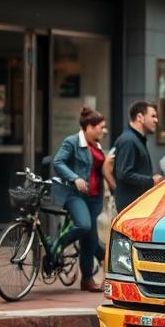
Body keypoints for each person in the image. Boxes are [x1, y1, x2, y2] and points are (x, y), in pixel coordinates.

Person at [52, 107, 108, 292]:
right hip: (74, 194)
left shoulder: (98, 145)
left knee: (89, 238)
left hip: (94, 197)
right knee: (84, 226)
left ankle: (87, 279)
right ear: (89, 127)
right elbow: (58, 162)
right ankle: (57, 246)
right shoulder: (72, 142)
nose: (104, 130)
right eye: (101, 127)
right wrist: (75, 178)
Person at [113, 100, 163, 212]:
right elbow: (124, 174)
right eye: (153, 116)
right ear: (140, 117)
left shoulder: (137, 139)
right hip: (130, 205)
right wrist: (151, 181)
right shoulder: (128, 140)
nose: (156, 120)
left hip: (137, 204)